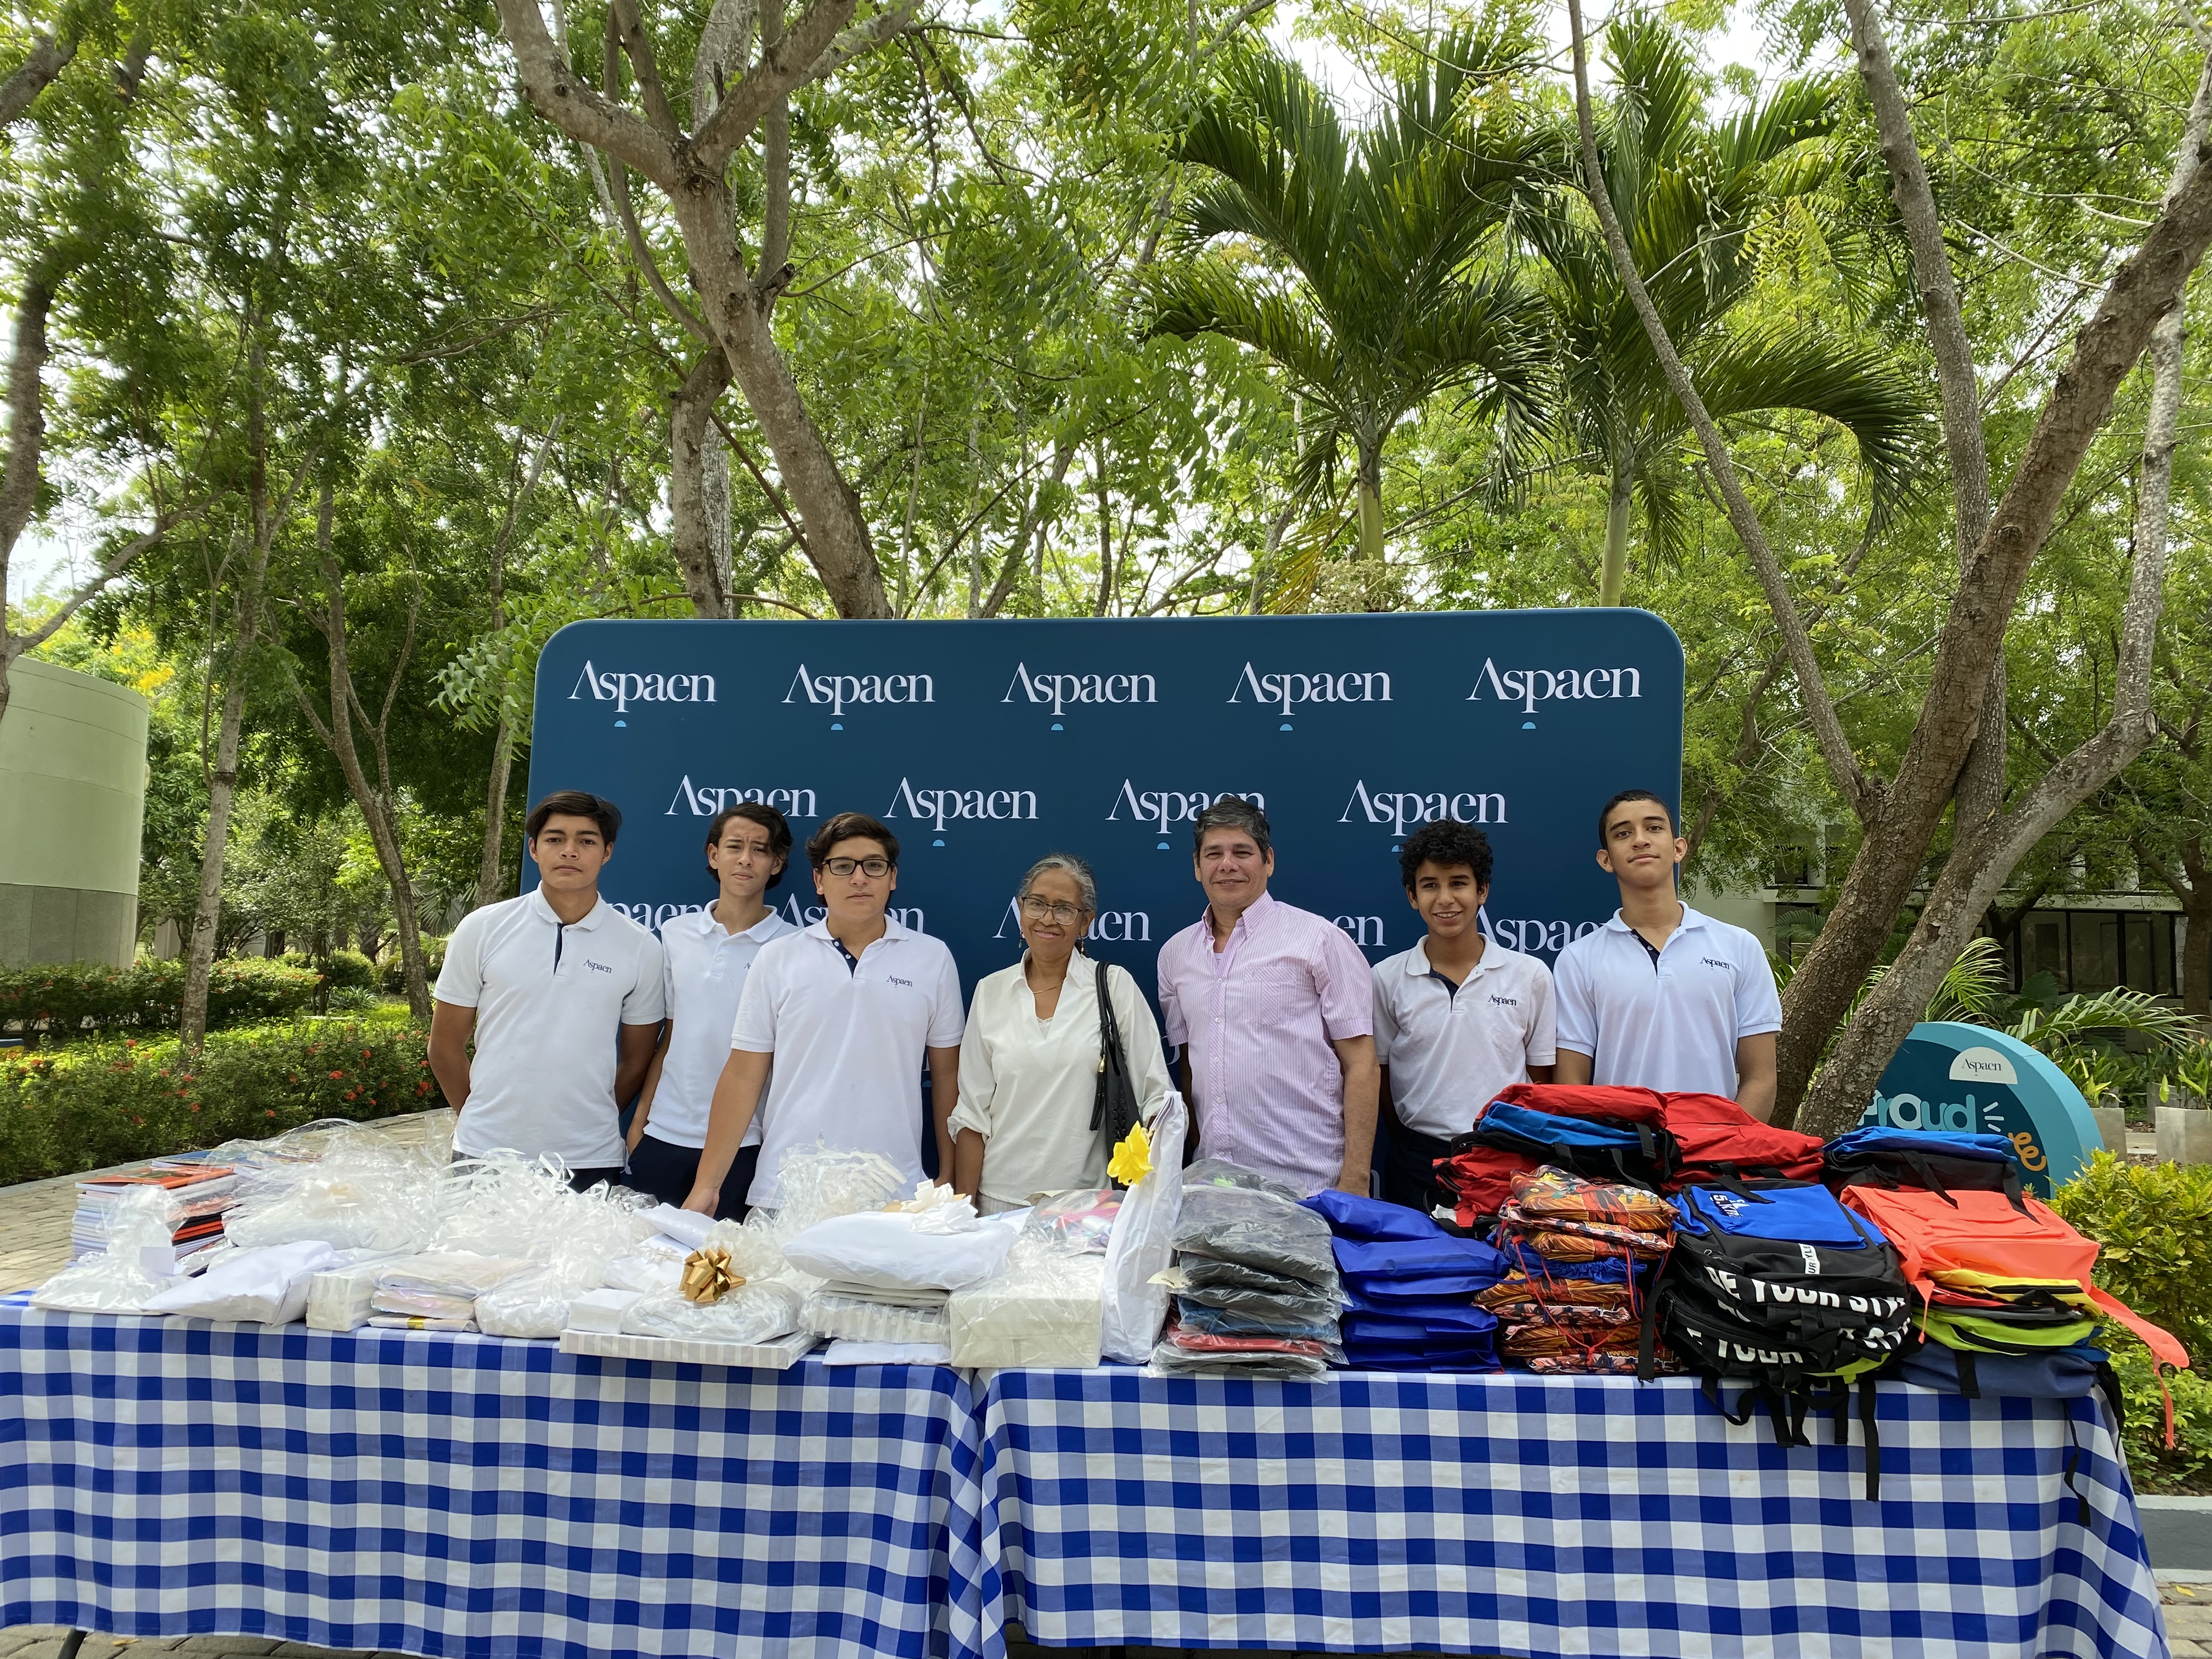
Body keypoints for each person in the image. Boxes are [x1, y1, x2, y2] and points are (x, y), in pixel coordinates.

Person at [683, 811, 963, 1215]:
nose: (859, 878)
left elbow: (948, 1075)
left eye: (874, 866)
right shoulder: (778, 958)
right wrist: (707, 1186)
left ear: (893, 878)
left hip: (895, 1193)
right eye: (843, 867)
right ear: (819, 880)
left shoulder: (932, 958)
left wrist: (949, 1176)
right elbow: (743, 1074)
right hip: (786, 1191)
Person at [428, 790, 665, 1189]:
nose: (569, 851)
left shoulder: (641, 946)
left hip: (589, 1157)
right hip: (484, 1154)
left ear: (607, 852)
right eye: (555, 839)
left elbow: (636, 1061)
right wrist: (481, 1120)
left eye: (586, 841)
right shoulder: (483, 928)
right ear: (534, 849)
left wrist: (589, 1117)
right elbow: (444, 1047)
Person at [1155, 796, 1378, 1198]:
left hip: (1308, 1187)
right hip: (1213, 1184)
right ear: (1197, 866)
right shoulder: (1175, 955)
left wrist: (1355, 1181)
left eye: (1242, 852)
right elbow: (1189, 1065)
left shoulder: (1319, 941)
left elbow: (1362, 1064)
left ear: (1269, 861)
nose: (1227, 865)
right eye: (1214, 854)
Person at [948, 854, 1172, 1214]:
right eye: (1037, 904)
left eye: (1065, 909)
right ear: (1021, 909)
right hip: (999, 1203)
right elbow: (972, 1115)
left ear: (1086, 922)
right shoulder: (990, 991)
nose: (1048, 919)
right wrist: (964, 1210)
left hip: (1088, 1208)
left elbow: (1157, 1100)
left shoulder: (1114, 987)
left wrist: (1147, 1201)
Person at [1553, 788, 1782, 1119]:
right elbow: (1570, 1084)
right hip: (1621, 1149)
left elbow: (1761, 1078)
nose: (1640, 840)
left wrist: (1730, 1142)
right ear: (1606, 859)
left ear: (1678, 848)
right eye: (1623, 833)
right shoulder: (1578, 960)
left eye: (1654, 828)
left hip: (1717, 1147)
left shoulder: (1739, 946)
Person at [1371, 819, 1556, 1213]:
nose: (1445, 899)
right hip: (1416, 1161)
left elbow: (1541, 1078)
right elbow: (1381, 1074)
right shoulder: (1386, 978)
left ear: (1482, 890)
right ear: (1412, 896)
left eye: (1458, 883)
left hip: (1507, 1160)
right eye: (1430, 885)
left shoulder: (1529, 975)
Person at [624, 802, 800, 1218]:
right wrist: (640, 1123)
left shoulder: (796, 948)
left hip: (748, 1145)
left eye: (760, 850)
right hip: (663, 1136)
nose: (745, 859)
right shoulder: (675, 934)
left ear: (777, 863)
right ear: (714, 854)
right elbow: (670, 1037)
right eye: (735, 846)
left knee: (728, 1261)